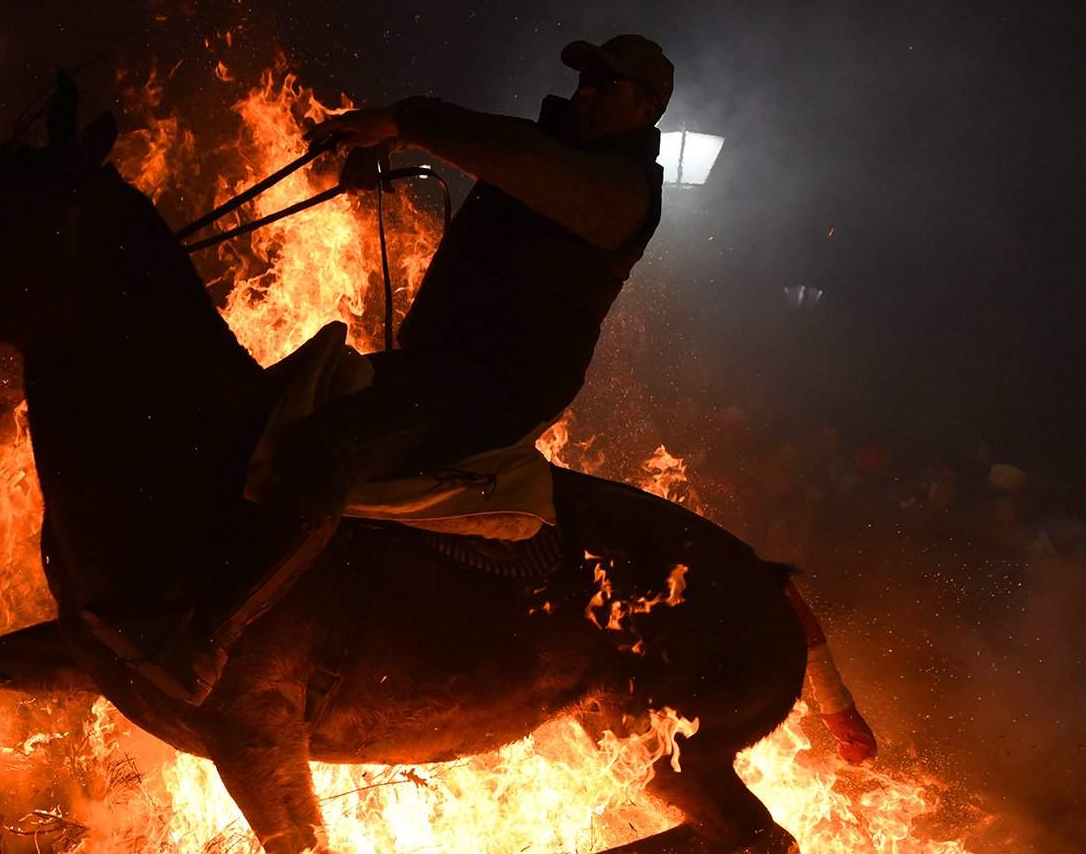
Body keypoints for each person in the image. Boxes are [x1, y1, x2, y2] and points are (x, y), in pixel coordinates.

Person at [86, 34, 674, 702]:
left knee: (330, 444)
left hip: (497, 388)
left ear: (649, 106)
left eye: (608, 83)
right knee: (271, 411)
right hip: (437, 368)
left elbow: (512, 156)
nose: (586, 91)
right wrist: (388, 139)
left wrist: (405, 120)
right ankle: (176, 584)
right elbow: (494, 143)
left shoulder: (621, 192)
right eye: (584, 78)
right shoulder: (555, 151)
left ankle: (201, 641)